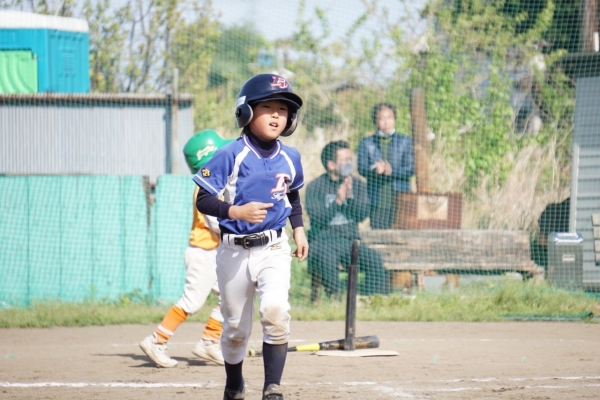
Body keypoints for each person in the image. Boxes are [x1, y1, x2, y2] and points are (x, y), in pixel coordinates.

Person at [193, 73, 308, 400]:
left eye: (283, 110)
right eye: (267, 107)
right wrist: (236, 211)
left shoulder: (291, 156)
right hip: (234, 251)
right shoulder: (231, 153)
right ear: (245, 112)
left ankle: (272, 387)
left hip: (274, 247)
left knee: (276, 309)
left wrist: (298, 230)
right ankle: (234, 385)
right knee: (234, 331)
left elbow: (292, 195)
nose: (276, 115)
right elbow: (204, 199)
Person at [139, 129, 231, 368]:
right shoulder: (207, 186)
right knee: (192, 302)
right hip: (204, 253)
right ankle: (156, 341)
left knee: (231, 296)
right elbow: (215, 224)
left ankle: (209, 341)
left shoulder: (214, 182)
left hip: (214, 252)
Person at [306, 140, 389, 297]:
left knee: (374, 259)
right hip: (323, 242)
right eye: (344, 160)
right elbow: (317, 219)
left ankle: (372, 299)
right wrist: (338, 201)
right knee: (327, 258)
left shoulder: (357, 184)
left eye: (350, 159)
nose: (349, 163)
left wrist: (349, 198)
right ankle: (335, 299)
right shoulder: (315, 186)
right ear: (331, 164)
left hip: (349, 241)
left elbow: (361, 216)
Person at [357, 102, 415, 229]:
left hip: (401, 198)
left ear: (395, 119)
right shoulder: (366, 143)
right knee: (379, 234)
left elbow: (411, 169)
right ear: (375, 121)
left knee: (402, 234)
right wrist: (374, 169)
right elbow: (361, 168)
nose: (386, 122)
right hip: (377, 199)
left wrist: (392, 171)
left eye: (389, 117)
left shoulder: (405, 141)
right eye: (381, 118)